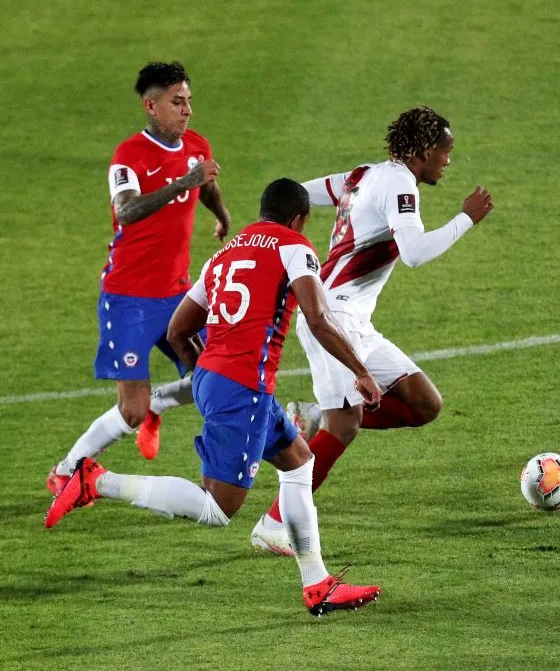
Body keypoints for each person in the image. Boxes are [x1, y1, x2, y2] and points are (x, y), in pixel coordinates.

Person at [45, 179, 383, 616]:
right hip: (243, 387)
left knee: (299, 463)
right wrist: (361, 372)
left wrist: (208, 374)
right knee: (217, 508)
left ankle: (317, 583)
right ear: (299, 219)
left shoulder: (223, 256)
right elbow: (318, 318)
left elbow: (177, 331)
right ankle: (97, 480)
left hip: (220, 380)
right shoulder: (295, 246)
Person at [250, 106, 495, 555]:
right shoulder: (400, 184)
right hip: (333, 317)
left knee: (425, 404)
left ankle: (315, 416)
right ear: (424, 150)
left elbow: (298, 194)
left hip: (355, 319)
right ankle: (273, 523)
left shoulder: (361, 176)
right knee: (346, 427)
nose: (448, 161)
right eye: (446, 151)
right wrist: (466, 219)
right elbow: (416, 252)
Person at [46, 61, 232, 495]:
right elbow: (127, 210)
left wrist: (221, 216)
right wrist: (181, 181)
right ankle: (66, 469)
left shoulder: (195, 145)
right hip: (128, 299)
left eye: (188, 101)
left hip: (177, 294)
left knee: (216, 379)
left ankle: (158, 406)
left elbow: (204, 183)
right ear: (151, 106)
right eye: (176, 102)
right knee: (131, 410)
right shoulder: (128, 155)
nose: (186, 111)